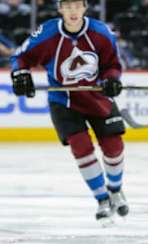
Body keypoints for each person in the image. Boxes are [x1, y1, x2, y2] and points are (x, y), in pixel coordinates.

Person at [10, 0, 128, 226]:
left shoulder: (101, 33)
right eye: (68, 6)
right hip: (64, 101)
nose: (73, 11)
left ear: (85, 8)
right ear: (60, 9)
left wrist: (111, 79)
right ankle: (102, 199)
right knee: (81, 147)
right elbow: (20, 58)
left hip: (97, 97)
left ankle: (115, 190)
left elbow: (112, 64)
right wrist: (20, 74)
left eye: (77, 6)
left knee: (114, 147)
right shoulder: (47, 33)